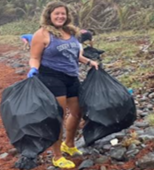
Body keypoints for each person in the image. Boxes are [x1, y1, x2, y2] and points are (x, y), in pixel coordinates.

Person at [27, 1, 98, 169]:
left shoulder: (71, 32)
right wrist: (33, 69)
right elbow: (35, 57)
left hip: (71, 77)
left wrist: (89, 62)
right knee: (58, 116)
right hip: (51, 77)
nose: (60, 16)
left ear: (67, 16)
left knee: (77, 112)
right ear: (49, 15)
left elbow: (75, 55)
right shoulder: (42, 34)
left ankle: (69, 144)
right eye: (56, 14)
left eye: (63, 14)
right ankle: (57, 155)